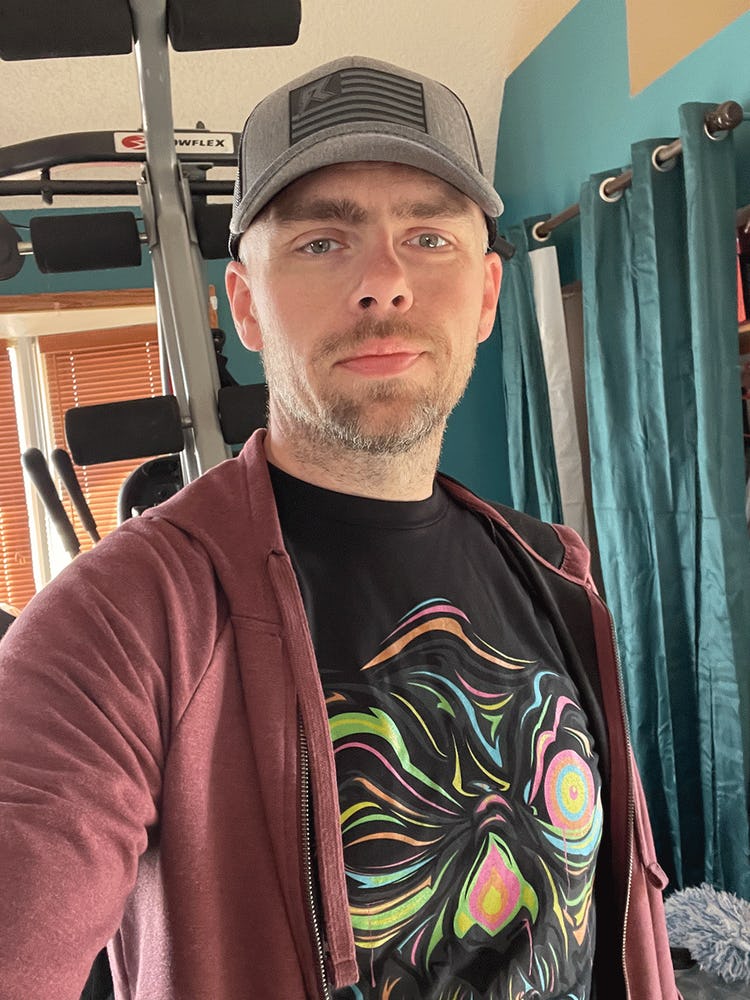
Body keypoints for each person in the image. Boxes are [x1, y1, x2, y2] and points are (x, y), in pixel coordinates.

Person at [0, 56, 679, 1000]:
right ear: (245, 305)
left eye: (428, 237)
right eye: (323, 241)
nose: (384, 283)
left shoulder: (556, 571)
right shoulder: (121, 623)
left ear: (488, 295)